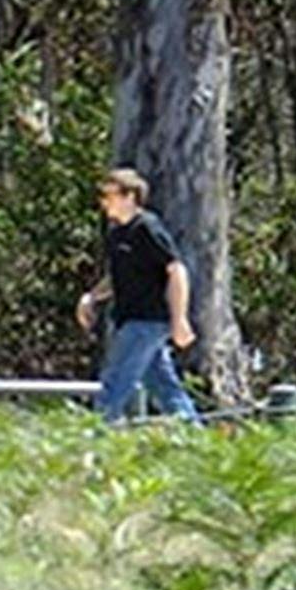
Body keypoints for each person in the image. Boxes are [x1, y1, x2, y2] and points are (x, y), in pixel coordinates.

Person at [77, 169, 200, 422]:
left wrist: (180, 319)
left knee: (114, 383)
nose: (103, 202)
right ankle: (194, 436)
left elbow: (176, 270)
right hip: (129, 318)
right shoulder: (117, 234)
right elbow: (117, 277)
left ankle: (94, 441)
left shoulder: (148, 228)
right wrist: (91, 297)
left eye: (108, 195)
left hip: (147, 321)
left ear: (129, 196)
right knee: (164, 387)